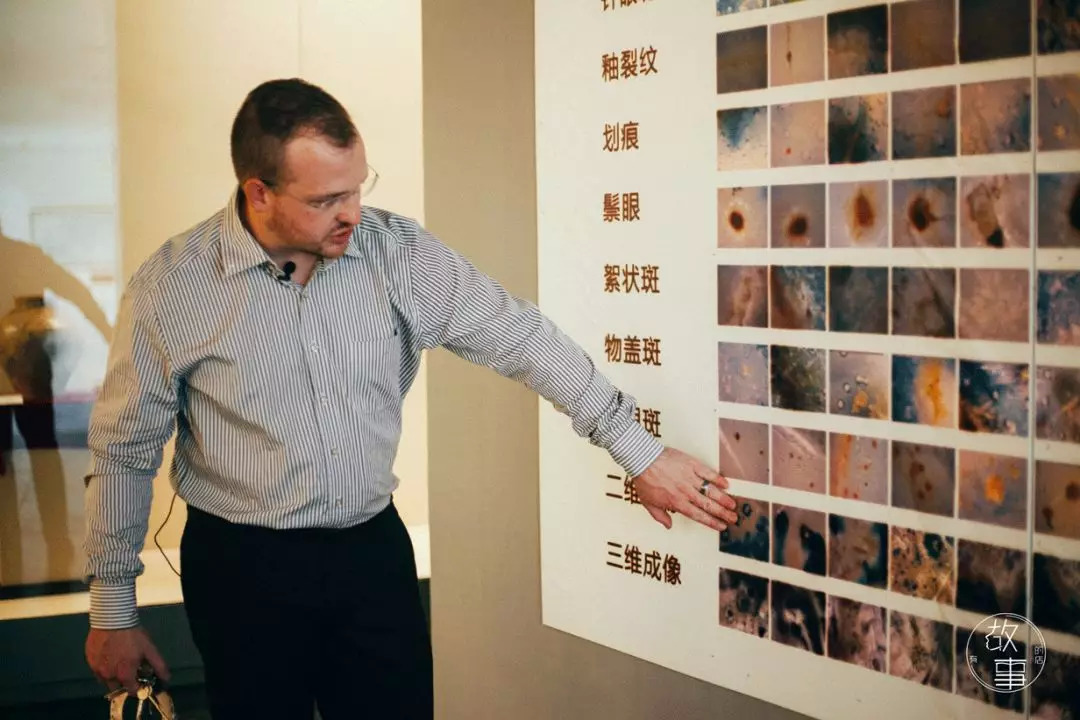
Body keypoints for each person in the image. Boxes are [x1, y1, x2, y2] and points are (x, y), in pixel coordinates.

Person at [82, 78, 739, 719]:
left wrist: (639, 453)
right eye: (326, 199)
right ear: (260, 193)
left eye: (357, 187)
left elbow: (521, 338)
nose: (352, 213)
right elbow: (123, 452)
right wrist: (113, 613)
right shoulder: (173, 287)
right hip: (243, 569)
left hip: (370, 556)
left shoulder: (396, 252)